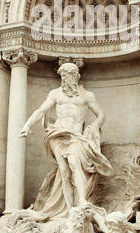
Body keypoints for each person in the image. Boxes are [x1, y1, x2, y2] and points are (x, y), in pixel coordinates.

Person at [20, 63, 112, 219]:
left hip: (76, 135)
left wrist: (94, 126)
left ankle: (82, 200)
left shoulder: (86, 95)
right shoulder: (55, 94)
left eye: (68, 76)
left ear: (75, 76)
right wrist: (27, 125)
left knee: (74, 162)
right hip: (57, 133)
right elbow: (41, 110)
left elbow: (101, 114)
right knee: (63, 171)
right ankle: (69, 208)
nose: (64, 79)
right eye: (62, 76)